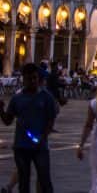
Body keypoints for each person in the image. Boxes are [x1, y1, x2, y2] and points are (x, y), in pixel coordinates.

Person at [0, 63, 59, 193]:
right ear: (23, 79)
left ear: (38, 78)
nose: (33, 81)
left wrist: (42, 138)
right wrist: (1, 110)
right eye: (29, 79)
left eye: (35, 78)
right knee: (23, 182)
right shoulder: (17, 98)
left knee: (44, 180)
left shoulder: (46, 97)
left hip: (40, 147)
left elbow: (51, 121)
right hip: (21, 146)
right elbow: (8, 121)